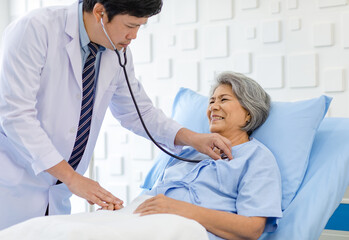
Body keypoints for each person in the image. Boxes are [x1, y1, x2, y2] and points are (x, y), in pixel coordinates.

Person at [0, 0, 233, 230]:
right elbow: (16, 116)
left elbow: (139, 112)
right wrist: (72, 178)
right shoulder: (35, 29)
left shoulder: (115, 50)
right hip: (13, 181)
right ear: (100, 12)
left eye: (140, 27)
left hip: (56, 192)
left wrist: (195, 139)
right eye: (131, 25)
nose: (134, 36)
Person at [133, 72, 283, 240]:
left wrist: (179, 209)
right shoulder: (187, 152)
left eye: (223, 99)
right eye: (211, 101)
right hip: (140, 222)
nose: (213, 107)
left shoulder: (256, 158)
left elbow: (252, 228)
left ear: (249, 112)